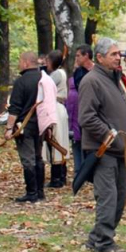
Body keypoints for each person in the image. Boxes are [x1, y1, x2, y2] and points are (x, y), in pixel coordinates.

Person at [79, 37, 126, 252]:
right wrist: (110, 135)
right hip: (103, 150)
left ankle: (97, 238)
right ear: (99, 57)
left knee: (119, 198)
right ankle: (103, 242)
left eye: (119, 54)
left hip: (120, 150)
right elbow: (87, 117)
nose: (118, 57)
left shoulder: (115, 78)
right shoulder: (92, 81)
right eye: (113, 54)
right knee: (108, 198)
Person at [5, 52, 45, 203]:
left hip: (24, 126)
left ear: (27, 63)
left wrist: (9, 128)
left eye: (20, 61)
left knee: (28, 160)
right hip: (40, 124)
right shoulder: (44, 79)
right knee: (38, 157)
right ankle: (40, 191)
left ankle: (32, 192)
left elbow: (15, 108)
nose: (19, 64)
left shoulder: (21, 82)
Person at [43, 50, 69, 188]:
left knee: (55, 141)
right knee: (59, 141)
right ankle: (61, 175)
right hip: (58, 108)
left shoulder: (57, 74)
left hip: (56, 108)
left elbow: (45, 86)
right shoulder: (60, 73)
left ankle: (57, 177)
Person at [65, 75, 82, 176]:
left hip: (74, 129)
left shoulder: (70, 94)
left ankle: (78, 171)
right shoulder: (82, 93)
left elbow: (70, 113)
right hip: (81, 128)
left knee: (76, 148)